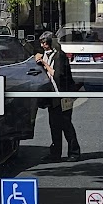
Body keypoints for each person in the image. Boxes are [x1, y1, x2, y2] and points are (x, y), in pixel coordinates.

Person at [37, 31, 83, 162]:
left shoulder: (59, 56)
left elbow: (57, 74)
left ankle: (74, 152)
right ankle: (55, 153)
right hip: (52, 95)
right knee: (54, 124)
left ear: (51, 43)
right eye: (41, 43)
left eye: (45, 43)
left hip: (63, 94)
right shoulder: (46, 54)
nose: (43, 45)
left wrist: (44, 63)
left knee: (66, 123)